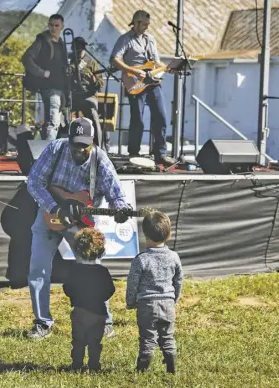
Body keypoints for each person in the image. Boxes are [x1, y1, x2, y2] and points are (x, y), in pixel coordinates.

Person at [26, 116, 131, 340]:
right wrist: (54, 207)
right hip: (49, 215)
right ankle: (42, 322)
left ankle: (104, 320)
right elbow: (34, 181)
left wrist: (121, 209)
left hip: (80, 224)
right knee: (38, 269)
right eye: (76, 144)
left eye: (85, 145)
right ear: (69, 140)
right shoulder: (55, 149)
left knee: (93, 270)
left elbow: (116, 194)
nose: (79, 149)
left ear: (92, 142)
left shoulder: (100, 159)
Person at [110, 10, 176, 166]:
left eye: (148, 24)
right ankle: (133, 153)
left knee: (161, 117)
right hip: (135, 83)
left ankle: (161, 154)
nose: (147, 27)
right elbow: (113, 59)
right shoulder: (125, 39)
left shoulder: (151, 39)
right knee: (137, 120)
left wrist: (168, 68)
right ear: (136, 23)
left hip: (153, 82)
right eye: (144, 24)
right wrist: (133, 71)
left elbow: (156, 62)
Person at [125, 210, 183, 373]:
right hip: (168, 304)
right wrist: (175, 298)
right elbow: (178, 280)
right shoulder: (174, 257)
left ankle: (142, 371)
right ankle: (171, 368)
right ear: (169, 234)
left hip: (147, 305)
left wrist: (130, 302)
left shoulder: (141, 259)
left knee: (148, 339)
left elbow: (132, 284)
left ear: (145, 235)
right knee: (167, 337)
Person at [63, 228, 115, 371]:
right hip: (99, 313)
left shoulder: (75, 270)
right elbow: (110, 290)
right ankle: (94, 365)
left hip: (79, 311)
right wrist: (100, 297)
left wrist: (75, 297)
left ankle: (77, 364)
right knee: (95, 341)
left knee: (78, 341)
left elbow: (67, 288)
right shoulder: (102, 271)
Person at [21, 14, 67, 141]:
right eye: (51, 25)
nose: (53, 28)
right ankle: (48, 154)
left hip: (60, 87)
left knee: (55, 122)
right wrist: (41, 73)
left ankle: (47, 150)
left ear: (62, 26)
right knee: (52, 122)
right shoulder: (42, 40)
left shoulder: (62, 43)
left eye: (56, 25)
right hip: (49, 87)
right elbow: (26, 58)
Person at [68, 37, 107, 151]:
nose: (80, 51)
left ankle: (99, 147)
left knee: (93, 115)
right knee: (62, 116)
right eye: (77, 48)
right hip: (72, 95)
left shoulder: (91, 62)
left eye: (82, 49)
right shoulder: (68, 61)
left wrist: (94, 81)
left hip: (88, 95)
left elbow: (101, 83)